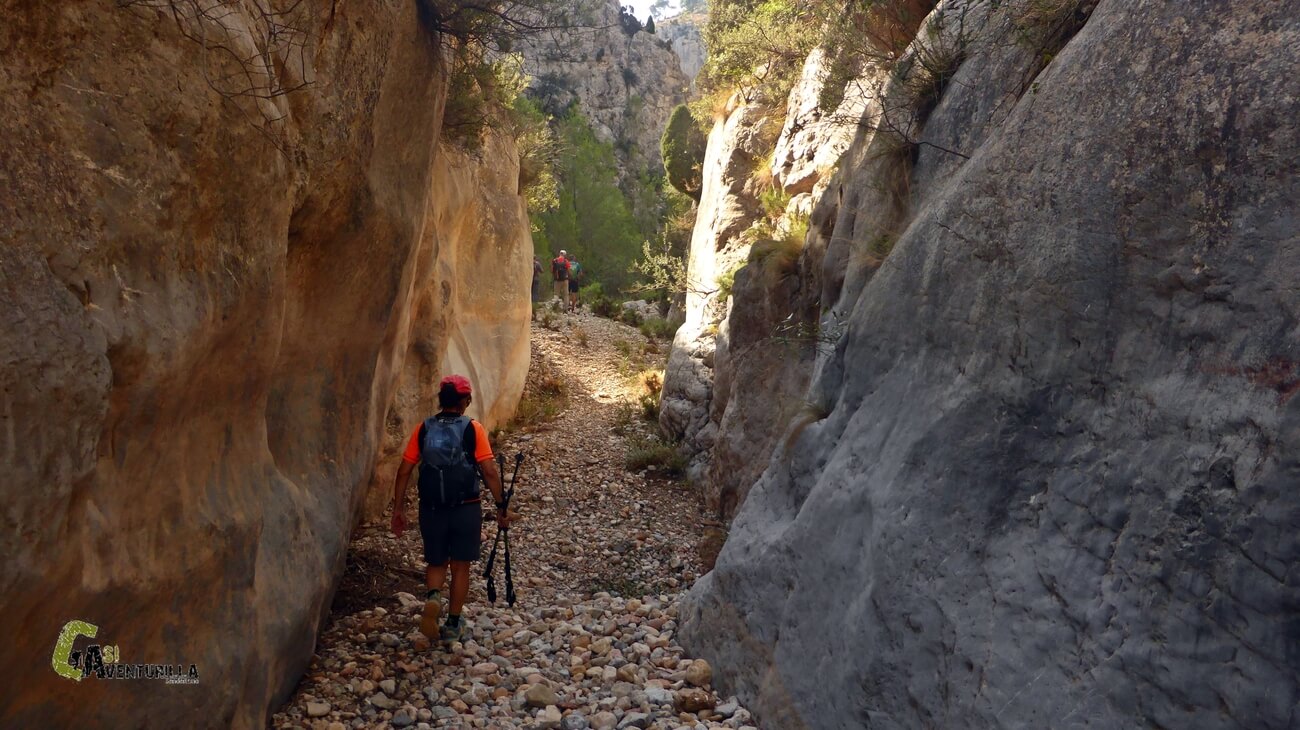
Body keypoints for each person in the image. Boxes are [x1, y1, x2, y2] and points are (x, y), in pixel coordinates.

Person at [391, 375, 510, 643]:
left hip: (431, 507)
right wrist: (501, 505)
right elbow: (489, 471)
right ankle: (453, 623)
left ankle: (434, 597)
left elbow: (404, 470)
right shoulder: (472, 428)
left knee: (436, 561)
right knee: (460, 566)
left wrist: (398, 508)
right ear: (465, 401)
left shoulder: (423, 428)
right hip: (465, 508)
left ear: (441, 400)